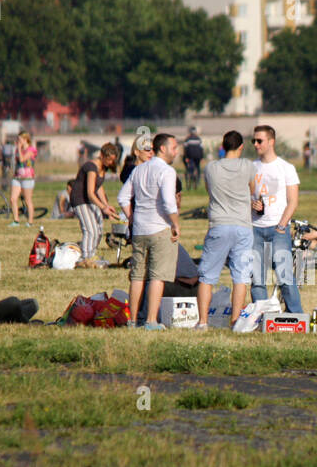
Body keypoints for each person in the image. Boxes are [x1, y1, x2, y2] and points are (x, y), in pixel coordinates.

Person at [117, 133, 181, 330]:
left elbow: (122, 197)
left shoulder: (138, 170)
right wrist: (175, 224)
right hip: (160, 228)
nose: (176, 151)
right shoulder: (167, 171)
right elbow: (169, 202)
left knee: (137, 276)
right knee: (157, 276)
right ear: (163, 148)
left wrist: (132, 217)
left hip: (139, 230)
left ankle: (132, 320)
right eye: (174, 147)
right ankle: (151, 321)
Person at [194, 130, 256, 329]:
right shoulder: (248, 166)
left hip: (219, 224)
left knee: (207, 276)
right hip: (242, 226)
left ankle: (203, 321)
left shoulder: (211, 168)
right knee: (240, 277)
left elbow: (208, 189)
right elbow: (253, 190)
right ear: (240, 147)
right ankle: (235, 321)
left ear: (223, 147)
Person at [249, 124, 303, 313]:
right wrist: (251, 204)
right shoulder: (251, 167)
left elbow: (293, 201)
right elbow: (246, 195)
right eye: (253, 140)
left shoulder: (286, 168)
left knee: (285, 277)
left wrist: (281, 226)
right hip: (255, 228)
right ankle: (262, 317)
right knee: (257, 279)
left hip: (278, 229)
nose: (255, 144)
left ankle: (297, 316)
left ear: (271, 142)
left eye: (259, 140)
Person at [72, 143, 121, 260]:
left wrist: (106, 205)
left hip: (90, 200)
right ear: (101, 155)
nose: (110, 163)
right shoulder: (91, 167)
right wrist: (103, 208)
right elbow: (90, 192)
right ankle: (87, 258)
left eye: (112, 160)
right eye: (108, 159)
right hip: (80, 200)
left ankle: (86, 251)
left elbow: (98, 187)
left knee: (98, 230)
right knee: (91, 230)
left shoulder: (103, 167)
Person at [9, 131, 37, 226]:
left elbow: (22, 159)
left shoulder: (31, 150)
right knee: (13, 199)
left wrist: (19, 148)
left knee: (27, 200)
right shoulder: (18, 149)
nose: (18, 141)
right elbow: (17, 162)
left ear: (25, 139)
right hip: (17, 177)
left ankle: (30, 222)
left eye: (19, 139)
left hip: (27, 178)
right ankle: (16, 220)